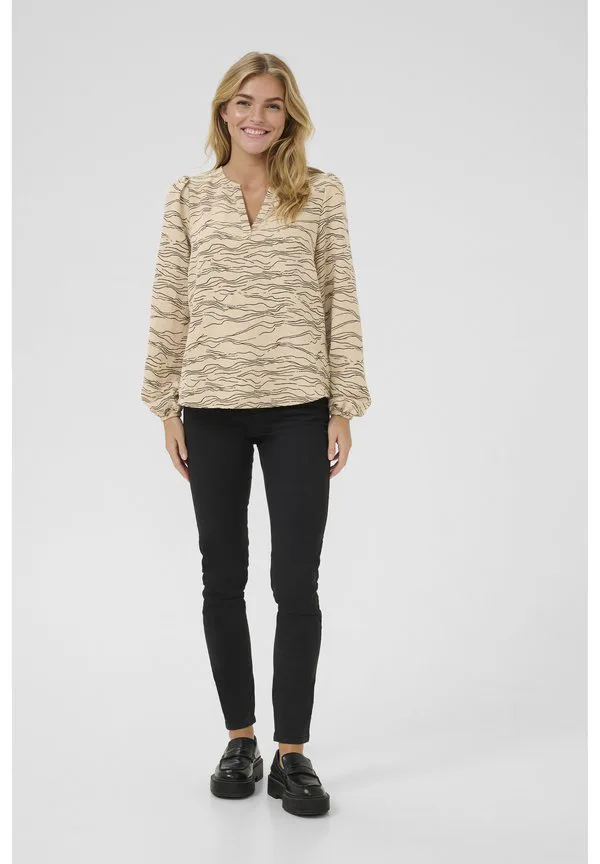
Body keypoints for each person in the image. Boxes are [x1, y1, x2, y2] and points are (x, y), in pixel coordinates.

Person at [140, 51, 371, 818]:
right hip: (209, 407)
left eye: (272, 105)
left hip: (299, 406)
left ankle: (292, 753)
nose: (257, 117)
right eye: (244, 102)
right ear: (223, 111)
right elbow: (170, 300)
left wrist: (344, 405)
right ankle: (240, 739)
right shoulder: (188, 195)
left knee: (295, 581)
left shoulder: (320, 192)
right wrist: (166, 406)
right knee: (222, 576)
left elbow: (340, 297)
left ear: (288, 116)